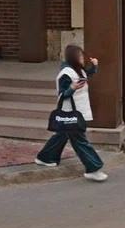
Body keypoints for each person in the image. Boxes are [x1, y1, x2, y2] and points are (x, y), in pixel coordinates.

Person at [34, 44, 107, 182]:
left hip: (77, 111)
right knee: (80, 141)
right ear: (74, 57)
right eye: (80, 57)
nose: (82, 59)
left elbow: (86, 75)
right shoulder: (66, 73)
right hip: (70, 112)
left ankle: (45, 157)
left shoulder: (77, 70)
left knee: (62, 135)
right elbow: (62, 94)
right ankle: (93, 168)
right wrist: (72, 88)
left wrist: (94, 66)